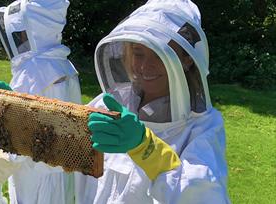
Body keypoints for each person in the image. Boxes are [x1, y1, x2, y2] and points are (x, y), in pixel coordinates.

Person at [73, 0, 231, 203]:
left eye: (159, 54)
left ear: (187, 59)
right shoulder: (105, 106)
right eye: (138, 53)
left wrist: (147, 149)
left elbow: (204, 195)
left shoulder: (204, 126)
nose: (145, 67)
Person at [0, 0, 81, 203]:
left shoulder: (34, 70)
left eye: (21, 31)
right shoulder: (64, 65)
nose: (18, 37)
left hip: (35, 181)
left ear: (34, 29)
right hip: (62, 176)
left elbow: (20, 142)